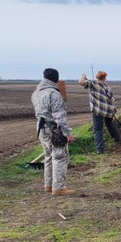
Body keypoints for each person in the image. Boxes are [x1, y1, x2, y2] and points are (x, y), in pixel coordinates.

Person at [32, 68, 76, 196]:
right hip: (53, 129)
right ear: (55, 79)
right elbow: (59, 116)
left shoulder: (36, 93)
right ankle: (59, 188)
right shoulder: (54, 93)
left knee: (48, 157)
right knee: (60, 156)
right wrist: (67, 133)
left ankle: (49, 185)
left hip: (41, 129)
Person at [79, 71, 120, 154]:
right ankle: (117, 139)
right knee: (109, 124)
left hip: (98, 110)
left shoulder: (93, 83)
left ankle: (99, 149)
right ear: (104, 78)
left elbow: (81, 82)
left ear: (97, 77)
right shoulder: (107, 87)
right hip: (108, 111)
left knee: (97, 129)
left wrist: (83, 76)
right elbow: (112, 99)